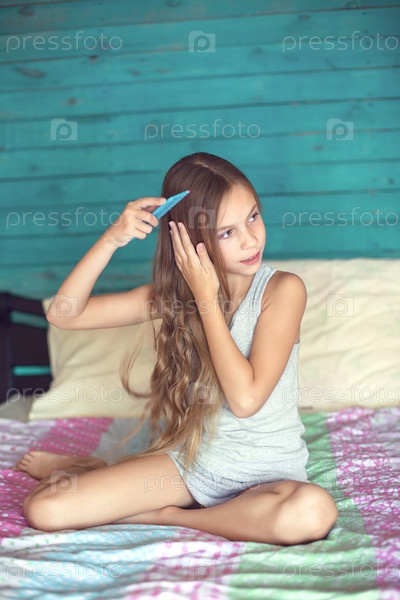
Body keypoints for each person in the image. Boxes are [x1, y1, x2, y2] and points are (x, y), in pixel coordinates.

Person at [16, 152, 338, 544]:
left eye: (253, 216)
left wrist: (207, 301)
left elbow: (246, 400)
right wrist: (112, 238)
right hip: (192, 469)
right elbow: (65, 314)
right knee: (45, 509)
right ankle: (97, 470)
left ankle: (168, 516)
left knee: (313, 512)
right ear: (189, 240)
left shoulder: (283, 290)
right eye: (227, 232)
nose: (250, 239)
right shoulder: (174, 297)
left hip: (268, 475)